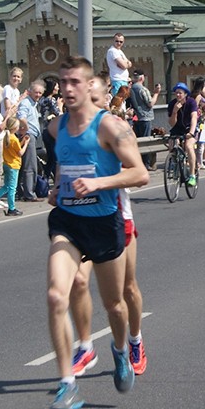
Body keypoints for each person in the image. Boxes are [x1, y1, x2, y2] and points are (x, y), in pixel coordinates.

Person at [45, 56, 148, 409]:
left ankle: (120, 349)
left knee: (115, 305)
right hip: (68, 222)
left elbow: (140, 174)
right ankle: (67, 385)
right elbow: (64, 160)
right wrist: (57, 188)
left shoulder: (111, 127)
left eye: (74, 82)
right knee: (57, 295)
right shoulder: (57, 127)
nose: (67, 89)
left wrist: (99, 183)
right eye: (62, 82)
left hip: (104, 222)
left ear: (89, 86)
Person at [69, 75, 148, 379]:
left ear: (104, 100)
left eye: (93, 94)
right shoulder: (70, 129)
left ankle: (135, 339)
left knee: (126, 289)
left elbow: (137, 172)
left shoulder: (117, 129)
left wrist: (100, 179)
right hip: (79, 219)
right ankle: (86, 344)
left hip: (116, 217)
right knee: (77, 280)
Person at [0, 116, 28, 216]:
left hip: (6, 163)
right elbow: (20, 152)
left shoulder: (6, 136)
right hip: (14, 165)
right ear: (15, 128)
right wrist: (26, 144)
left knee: (6, 186)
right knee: (12, 187)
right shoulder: (14, 139)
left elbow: (13, 148)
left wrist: (22, 141)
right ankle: (11, 208)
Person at [16, 80, 46, 201]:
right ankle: (29, 194)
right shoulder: (27, 103)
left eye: (40, 93)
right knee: (30, 165)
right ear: (30, 91)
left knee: (24, 166)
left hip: (31, 136)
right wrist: (27, 128)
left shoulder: (32, 103)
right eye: (36, 92)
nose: (38, 95)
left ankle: (21, 192)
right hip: (29, 136)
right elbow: (21, 116)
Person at [128, 69, 161, 171]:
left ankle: (138, 163)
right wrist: (156, 93)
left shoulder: (131, 88)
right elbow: (150, 103)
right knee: (146, 141)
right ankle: (146, 164)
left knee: (139, 141)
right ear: (142, 78)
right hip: (145, 118)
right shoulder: (143, 89)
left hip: (135, 117)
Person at [167, 82, 198, 186]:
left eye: (180, 93)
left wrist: (192, 132)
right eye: (176, 93)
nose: (178, 95)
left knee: (189, 146)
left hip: (189, 128)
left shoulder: (191, 102)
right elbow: (171, 123)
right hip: (177, 129)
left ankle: (192, 175)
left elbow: (194, 117)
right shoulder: (172, 104)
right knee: (172, 146)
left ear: (185, 94)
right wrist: (175, 111)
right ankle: (177, 166)